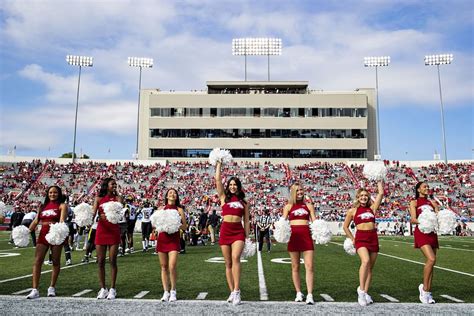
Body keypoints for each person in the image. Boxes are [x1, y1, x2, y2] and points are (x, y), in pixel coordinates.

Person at [343, 180, 384, 306]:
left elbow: (381, 193)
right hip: (361, 238)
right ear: (358, 198)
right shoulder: (352, 211)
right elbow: (345, 227)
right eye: (361, 196)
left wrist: (378, 180)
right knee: (365, 261)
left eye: (366, 195)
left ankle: (366, 292)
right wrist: (352, 239)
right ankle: (361, 291)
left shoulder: (372, 208)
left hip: (373, 237)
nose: (364, 197)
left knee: (370, 268)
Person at [215, 161, 250, 306]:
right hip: (225, 231)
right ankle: (231, 291)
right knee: (228, 263)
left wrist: (247, 237)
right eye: (230, 185)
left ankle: (237, 291)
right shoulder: (224, 198)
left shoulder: (244, 202)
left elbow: (246, 221)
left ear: (239, 186)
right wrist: (218, 164)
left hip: (238, 232)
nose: (232, 187)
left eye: (235, 184)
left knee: (236, 258)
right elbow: (217, 180)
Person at [26, 185, 68, 299]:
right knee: (37, 261)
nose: (52, 194)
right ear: (47, 194)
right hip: (43, 234)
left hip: (56, 234)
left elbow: (62, 221)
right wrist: (26, 231)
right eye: (50, 192)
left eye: (55, 192)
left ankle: (51, 287)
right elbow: (35, 221)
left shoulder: (62, 205)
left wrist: (58, 233)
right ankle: (35, 289)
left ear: (59, 194)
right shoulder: (42, 206)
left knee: (55, 261)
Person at [281, 183, 317, 305]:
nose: (300, 192)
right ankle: (298, 292)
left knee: (310, 266)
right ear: (293, 192)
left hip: (306, 237)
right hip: (294, 238)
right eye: (297, 190)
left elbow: (315, 222)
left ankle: (310, 294)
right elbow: (283, 224)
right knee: (295, 266)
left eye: (301, 189)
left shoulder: (309, 206)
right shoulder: (288, 206)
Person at [409, 181, 439, 304]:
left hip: (432, 233)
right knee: (431, 259)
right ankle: (425, 290)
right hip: (422, 232)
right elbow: (413, 219)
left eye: (427, 187)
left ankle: (427, 291)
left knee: (431, 263)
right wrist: (424, 221)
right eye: (424, 187)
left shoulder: (433, 203)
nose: (427, 188)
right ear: (418, 190)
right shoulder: (414, 202)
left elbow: (438, 217)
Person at [93, 177, 123, 300]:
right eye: (112, 184)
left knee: (112, 260)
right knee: (100, 261)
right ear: (106, 185)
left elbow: (120, 213)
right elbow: (93, 213)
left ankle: (112, 288)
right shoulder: (98, 199)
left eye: (115, 184)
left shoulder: (118, 198)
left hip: (114, 230)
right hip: (101, 230)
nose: (115, 186)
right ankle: (102, 288)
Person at [156, 188, 187, 302]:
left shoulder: (179, 210)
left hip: (174, 240)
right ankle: (166, 291)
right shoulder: (161, 209)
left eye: (174, 193)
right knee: (163, 267)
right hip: (162, 239)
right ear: (166, 196)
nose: (172, 194)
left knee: (172, 266)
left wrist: (175, 224)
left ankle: (173, 290)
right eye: (170, 193)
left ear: (177, 196)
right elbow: (155, 225)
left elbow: (185, 226)